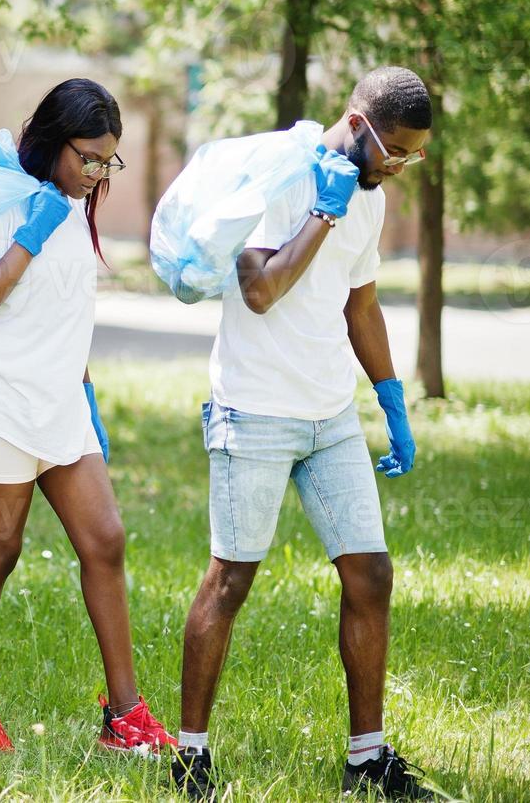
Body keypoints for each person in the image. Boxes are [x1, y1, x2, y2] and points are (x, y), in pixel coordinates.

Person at [171, 67, 436, 801]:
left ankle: (365, 758)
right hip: (252, 410)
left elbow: (361, 305)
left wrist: (389, 400)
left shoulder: (370, 201)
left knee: (370, 575)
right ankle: (189, 755)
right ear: (357, 124)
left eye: (413, 155)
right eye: (395, 150)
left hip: (328, 417)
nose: (400, 165)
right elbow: (258, 290)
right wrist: (320, 213)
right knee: (230, 580)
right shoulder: (279, 181)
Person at [0, 79, 176, 754]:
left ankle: (123, 716)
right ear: (51, 141)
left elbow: (68, 312)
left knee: (104, 539)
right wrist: (28, 235)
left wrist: (87, 395)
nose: (98, 174)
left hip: (61, 401)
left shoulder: (76, 202)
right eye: (89, 158)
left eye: (108, 161)